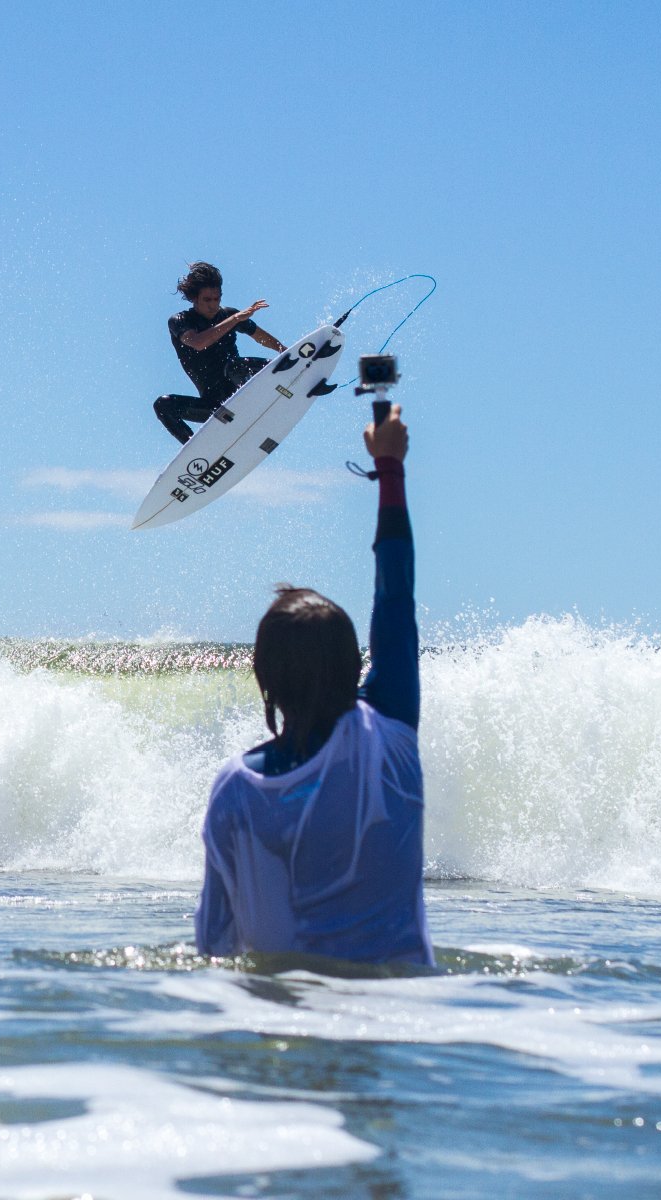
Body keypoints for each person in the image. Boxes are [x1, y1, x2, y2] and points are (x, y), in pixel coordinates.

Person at [194, 404, 429, 965]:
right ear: (357, 668)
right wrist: (389, 468)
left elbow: (215, 947)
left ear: (263, 679)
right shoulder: (390, 732)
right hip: (400, 1018)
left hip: (281, 1025)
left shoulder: (235, 791)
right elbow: (395, 592)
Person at [155, 261, 291, 445]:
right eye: (207, 300)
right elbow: (197, 343)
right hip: (216, 408)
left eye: (217, 299)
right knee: (163, 405)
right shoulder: (180, 321)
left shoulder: (228, 314)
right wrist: (235, 319)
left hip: (241, 390)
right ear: (194, 299)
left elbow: (261, 338)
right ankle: (198, 449)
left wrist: (288, 353)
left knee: (236, 366)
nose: (213, 305)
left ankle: (290, 372)